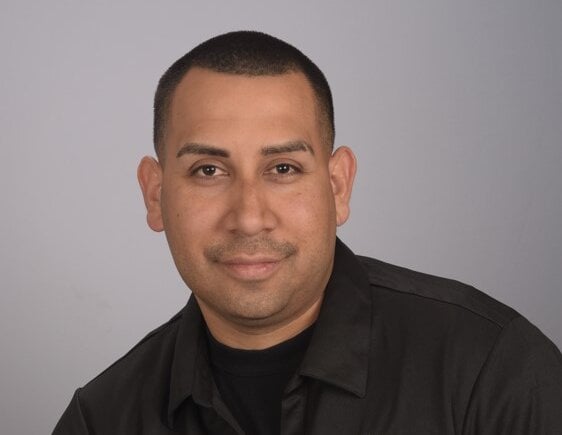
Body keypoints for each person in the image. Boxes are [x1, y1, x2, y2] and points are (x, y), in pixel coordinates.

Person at [53, 30, 562, 435]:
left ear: (338, 186)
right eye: (209, 170)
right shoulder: (102, 419)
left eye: (283, 169)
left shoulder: (491, 371)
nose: (249, 217)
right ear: (155, 193)